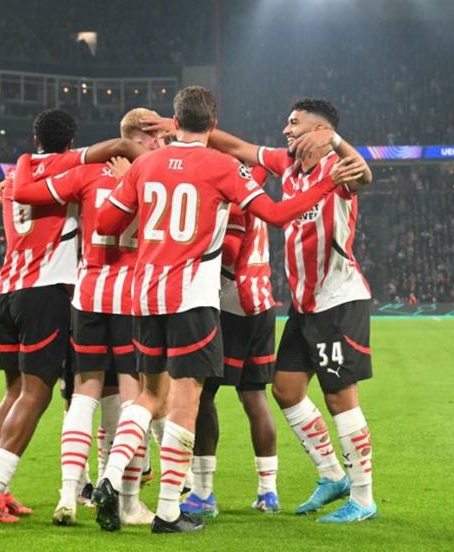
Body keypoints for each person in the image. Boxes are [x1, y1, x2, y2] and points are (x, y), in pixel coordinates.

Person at [92, 86, 366, 533]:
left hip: (144, 298)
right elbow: (276, 215)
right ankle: (168, 511)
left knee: (148, 397)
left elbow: (106, 224)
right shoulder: (224, 167)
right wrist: (326, 185)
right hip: (194, 300)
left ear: (175, 123)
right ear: (213, 125)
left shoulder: (144, 165)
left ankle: (108, 480)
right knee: (187, 402)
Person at [161, 98, 378, 523]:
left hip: (338, 300)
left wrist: (333, 140)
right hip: (304, 304)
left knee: (339, 397)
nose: (286, 130)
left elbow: (366, 174)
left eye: (294, 123)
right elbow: (237, 147)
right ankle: (332, 475)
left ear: (318, 130)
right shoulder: (286, 164)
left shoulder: (339, 165)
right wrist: (185, 128)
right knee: (286, 389)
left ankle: (364, 498)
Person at [0, 108, 148, 523]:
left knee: (13, 392)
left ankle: (0, 483)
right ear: (71, 143)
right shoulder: (70, 168)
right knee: (44, 392)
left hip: (7, 288)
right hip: (46, 291)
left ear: (36, 140)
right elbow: (116, 154)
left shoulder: (19, 175)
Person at [180, 165, 281, 518]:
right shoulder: (255, 198)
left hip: (231, 306)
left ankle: (203, 492)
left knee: (204, 394)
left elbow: (230, 253)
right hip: (262, 303)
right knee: (254, 395)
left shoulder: (236, 204)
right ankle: (268, 492)